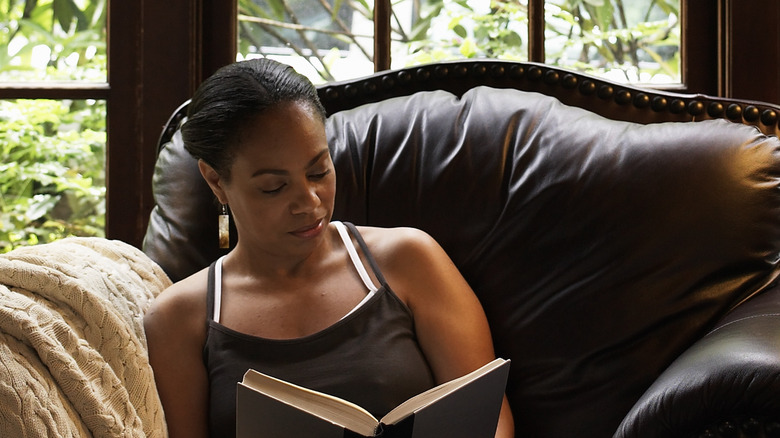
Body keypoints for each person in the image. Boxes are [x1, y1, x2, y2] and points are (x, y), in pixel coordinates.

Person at [143, 58, 514, 438]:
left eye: (319, 171)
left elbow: (492, 421)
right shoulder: (179, 321)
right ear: (216, 180)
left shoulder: (409, 259)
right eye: (274, 186)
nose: (310, 202)